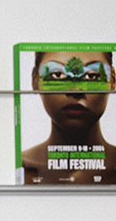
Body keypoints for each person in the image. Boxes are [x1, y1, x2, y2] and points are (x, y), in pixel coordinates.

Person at [22, 50, 116, 184]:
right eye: (58, 75)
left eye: (92, 76)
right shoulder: (19, 167)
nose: (75, 90)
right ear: (35, 80)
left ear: (112, 81)